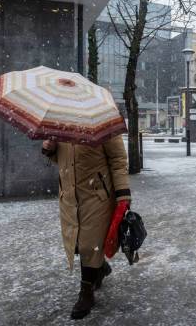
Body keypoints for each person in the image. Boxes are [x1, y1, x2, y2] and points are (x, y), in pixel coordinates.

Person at [42, 135, 131, 320]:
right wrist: (50, 149)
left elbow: (118, 160)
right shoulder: (61, 124)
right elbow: (61, 158)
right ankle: (99, 268)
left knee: (88, 244)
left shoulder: (103, 122)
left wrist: (123, 194)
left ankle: (86, 292)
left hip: (96, 195)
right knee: (76, 241)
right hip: (69, 196)